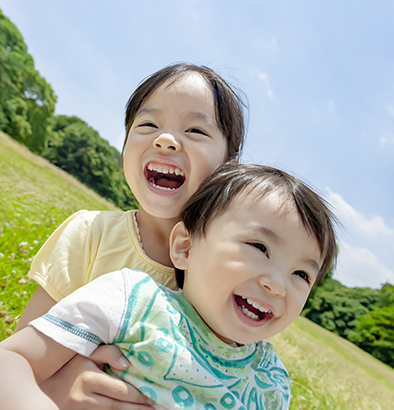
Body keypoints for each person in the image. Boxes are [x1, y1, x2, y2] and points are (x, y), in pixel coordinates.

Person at [0, 163, 338, 410]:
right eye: (259, 248)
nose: (278, 285)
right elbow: (12, 360)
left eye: (301, 275)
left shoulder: (270, 381)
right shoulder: (132, 300)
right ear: (185, 248)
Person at [12, 62, 246, 408]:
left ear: (230, 166)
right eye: (148, 124)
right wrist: (61, 386)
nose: (165, 139)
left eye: (196, 131)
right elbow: (18, 362)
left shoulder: (224, 278)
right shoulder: (91, 235)